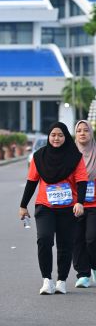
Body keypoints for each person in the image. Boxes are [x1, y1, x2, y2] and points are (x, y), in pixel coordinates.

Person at [19, 122, 87, 295]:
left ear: (66, 137)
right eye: (53, 135)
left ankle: (61, 281)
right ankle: (47, 280)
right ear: (49, 136)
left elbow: (82, 181)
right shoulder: (39, 157)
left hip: (68, 208)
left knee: (65, 244)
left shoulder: (75, 157)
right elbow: (31, 182)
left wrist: (80, 202)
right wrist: (23, 205)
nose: (56, 138)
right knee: (44, 239)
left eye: (60, 135)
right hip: (45, 206)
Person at [73, 120, 96, 288]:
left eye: (86, 130)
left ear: (91, 133)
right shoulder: (70, 155)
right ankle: (83, 274)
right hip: (74, 204)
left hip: (94, 204)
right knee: (77, 240)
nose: (82, 133)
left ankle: (94, 266)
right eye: (79, 130)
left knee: (91, 238)